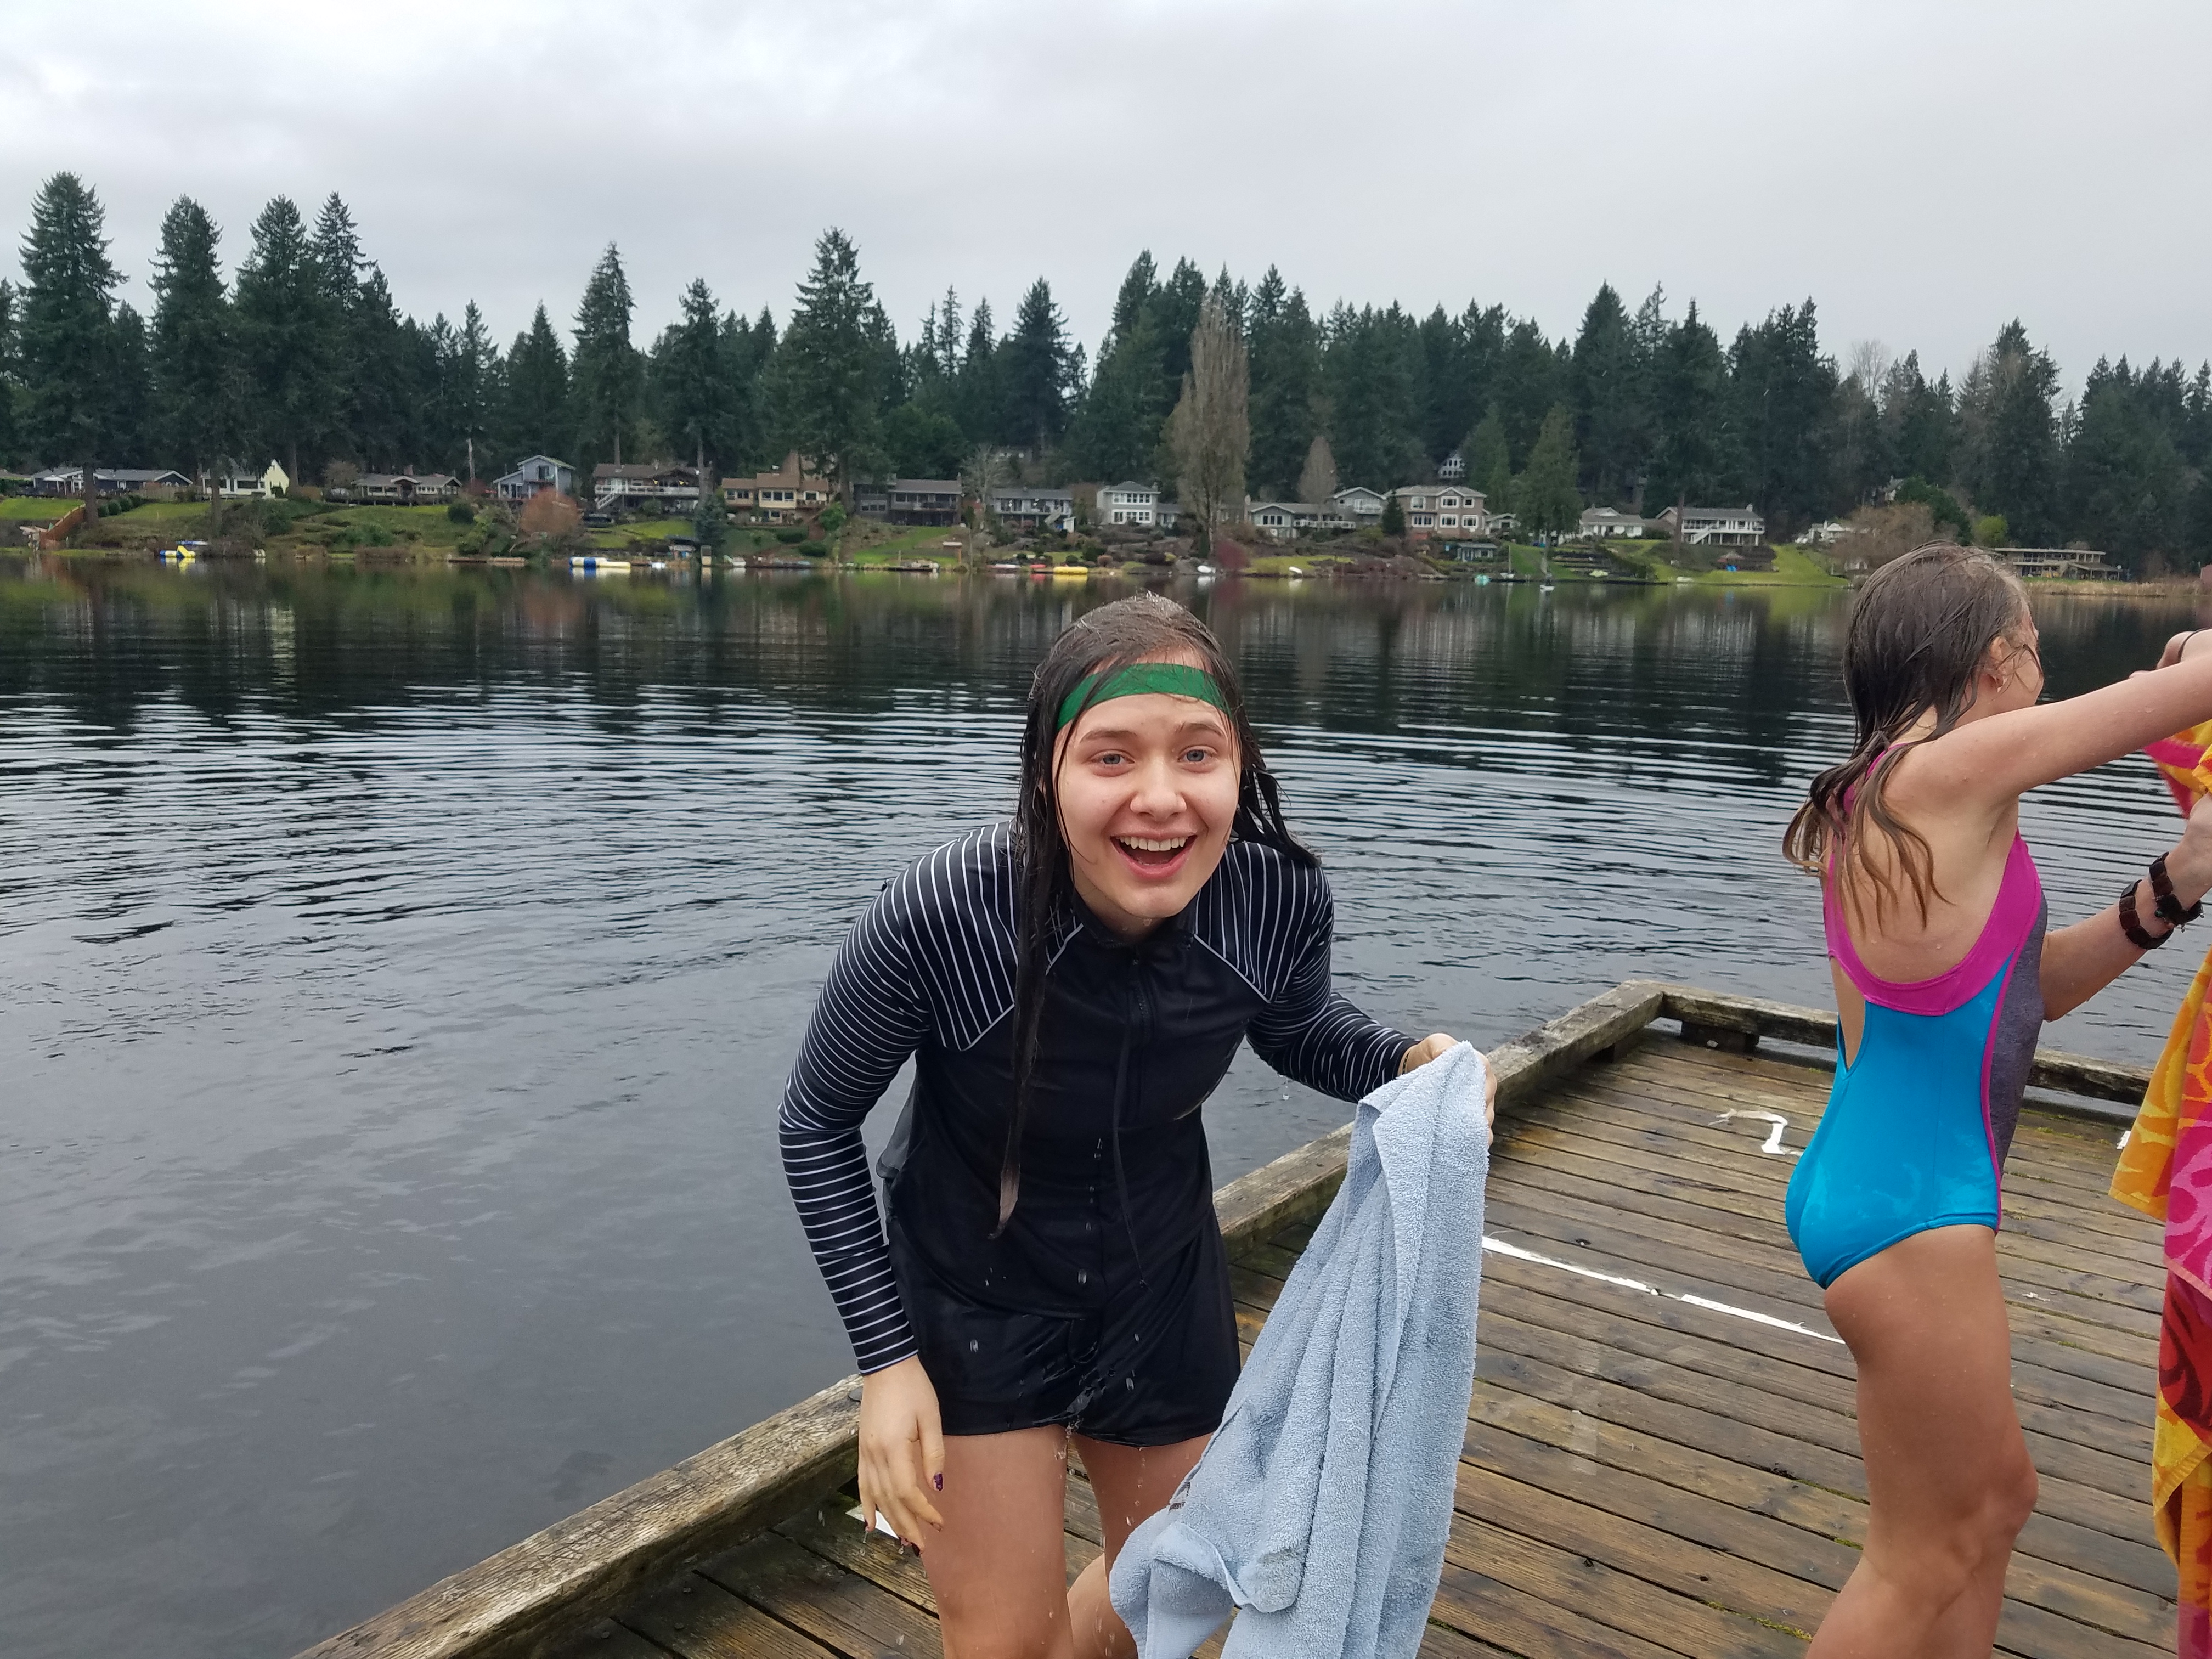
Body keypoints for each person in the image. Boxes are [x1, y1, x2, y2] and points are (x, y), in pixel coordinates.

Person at [780, 592, 1479, 1659]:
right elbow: (816, 1123)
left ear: (1240, 767)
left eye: (1198, 754)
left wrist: (1401, 1062)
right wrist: (887, 1366)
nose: (1161, 799)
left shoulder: (1276, 897)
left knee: (1177, 1596)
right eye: (1111, 757)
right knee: (1003, 1648)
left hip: (1161, 1283)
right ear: (1046, 775)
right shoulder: (947, 915)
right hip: (974, 1295)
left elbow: (1295, 1026)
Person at [1782, 543, 2212, 1656]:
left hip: (1886, 1185)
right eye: (2036, 649)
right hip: (1909, 1212)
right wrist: (2192, 654)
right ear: (1994, 659)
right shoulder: (1943, 773)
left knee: (1995, 1505)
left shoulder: (1899, 794)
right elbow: (2165, 699)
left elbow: (2030, 996)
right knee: (1923, 1554)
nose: (2044, 673)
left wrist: (2177, 881)